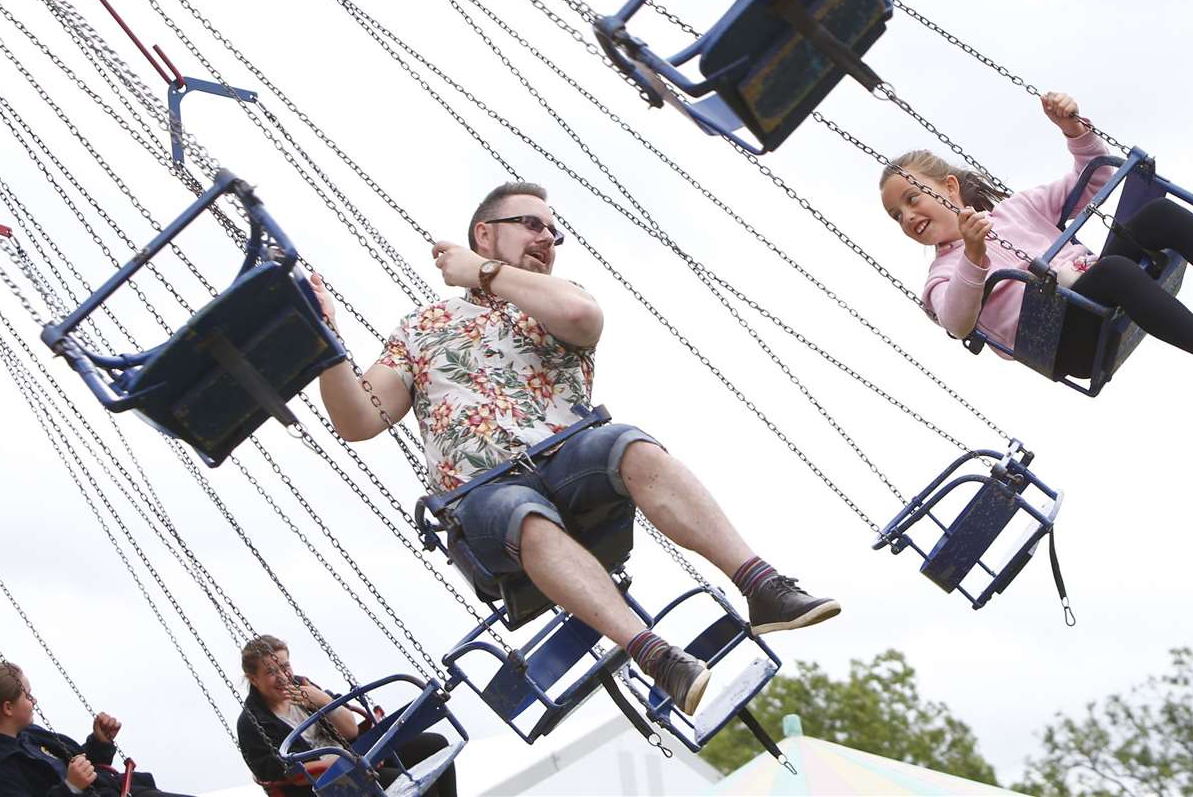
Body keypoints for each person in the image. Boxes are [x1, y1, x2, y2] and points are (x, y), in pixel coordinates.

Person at [311, 182, 840, 716]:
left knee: (628, 443)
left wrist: (483, 273)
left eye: (553, 230)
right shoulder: (421, 328)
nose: (548, 237)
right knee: (520, 513)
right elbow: (359, 419)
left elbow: (583, 318)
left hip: (566, 457)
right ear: (485, 233)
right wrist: (325, 342)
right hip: (485, 494)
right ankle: (656, 656)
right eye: (532, 224)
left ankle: (762, 585)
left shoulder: (549, 299)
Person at [878, 92, 1193, 391]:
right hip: (1064, 340)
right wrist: (974, 256)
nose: (909, 216)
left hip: (1095, 290)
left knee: (1157, 216)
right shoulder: (942, 275)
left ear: (950, 188)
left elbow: (1094, 174)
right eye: (897, 215)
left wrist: (1073, 129)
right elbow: (958, 322)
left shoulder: (1016, 209)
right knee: (1111, 270)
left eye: (912, 198)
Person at [235, 635, 456, 797]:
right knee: (408, 781)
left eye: (285, 667)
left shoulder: (304, 687)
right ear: (254, 679)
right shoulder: (254, 722)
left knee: (435, 745)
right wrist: (342, 762)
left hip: (355, 756)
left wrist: (324, 701)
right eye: (271, 672)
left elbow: (350, 731)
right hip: (322, 783)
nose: (283, 677)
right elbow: (283, 772)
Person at [0, 662, 192, 797]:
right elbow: (72, 781)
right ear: (7, 708)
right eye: (27, 695)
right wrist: (70, 788)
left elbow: (79, 766)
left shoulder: (29, 736)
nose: (33, 700)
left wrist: (99, 743)